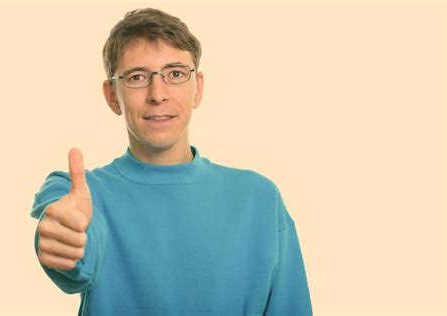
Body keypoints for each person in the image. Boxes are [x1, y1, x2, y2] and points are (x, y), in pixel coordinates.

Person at [31, 8, 313, 316]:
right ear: (112, 95)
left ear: (198, 88)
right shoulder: (79, 192)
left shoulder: (260, 199)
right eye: (137, 77)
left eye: (175, 74)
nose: (158, 94)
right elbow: (76, 253)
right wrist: (69, 243)